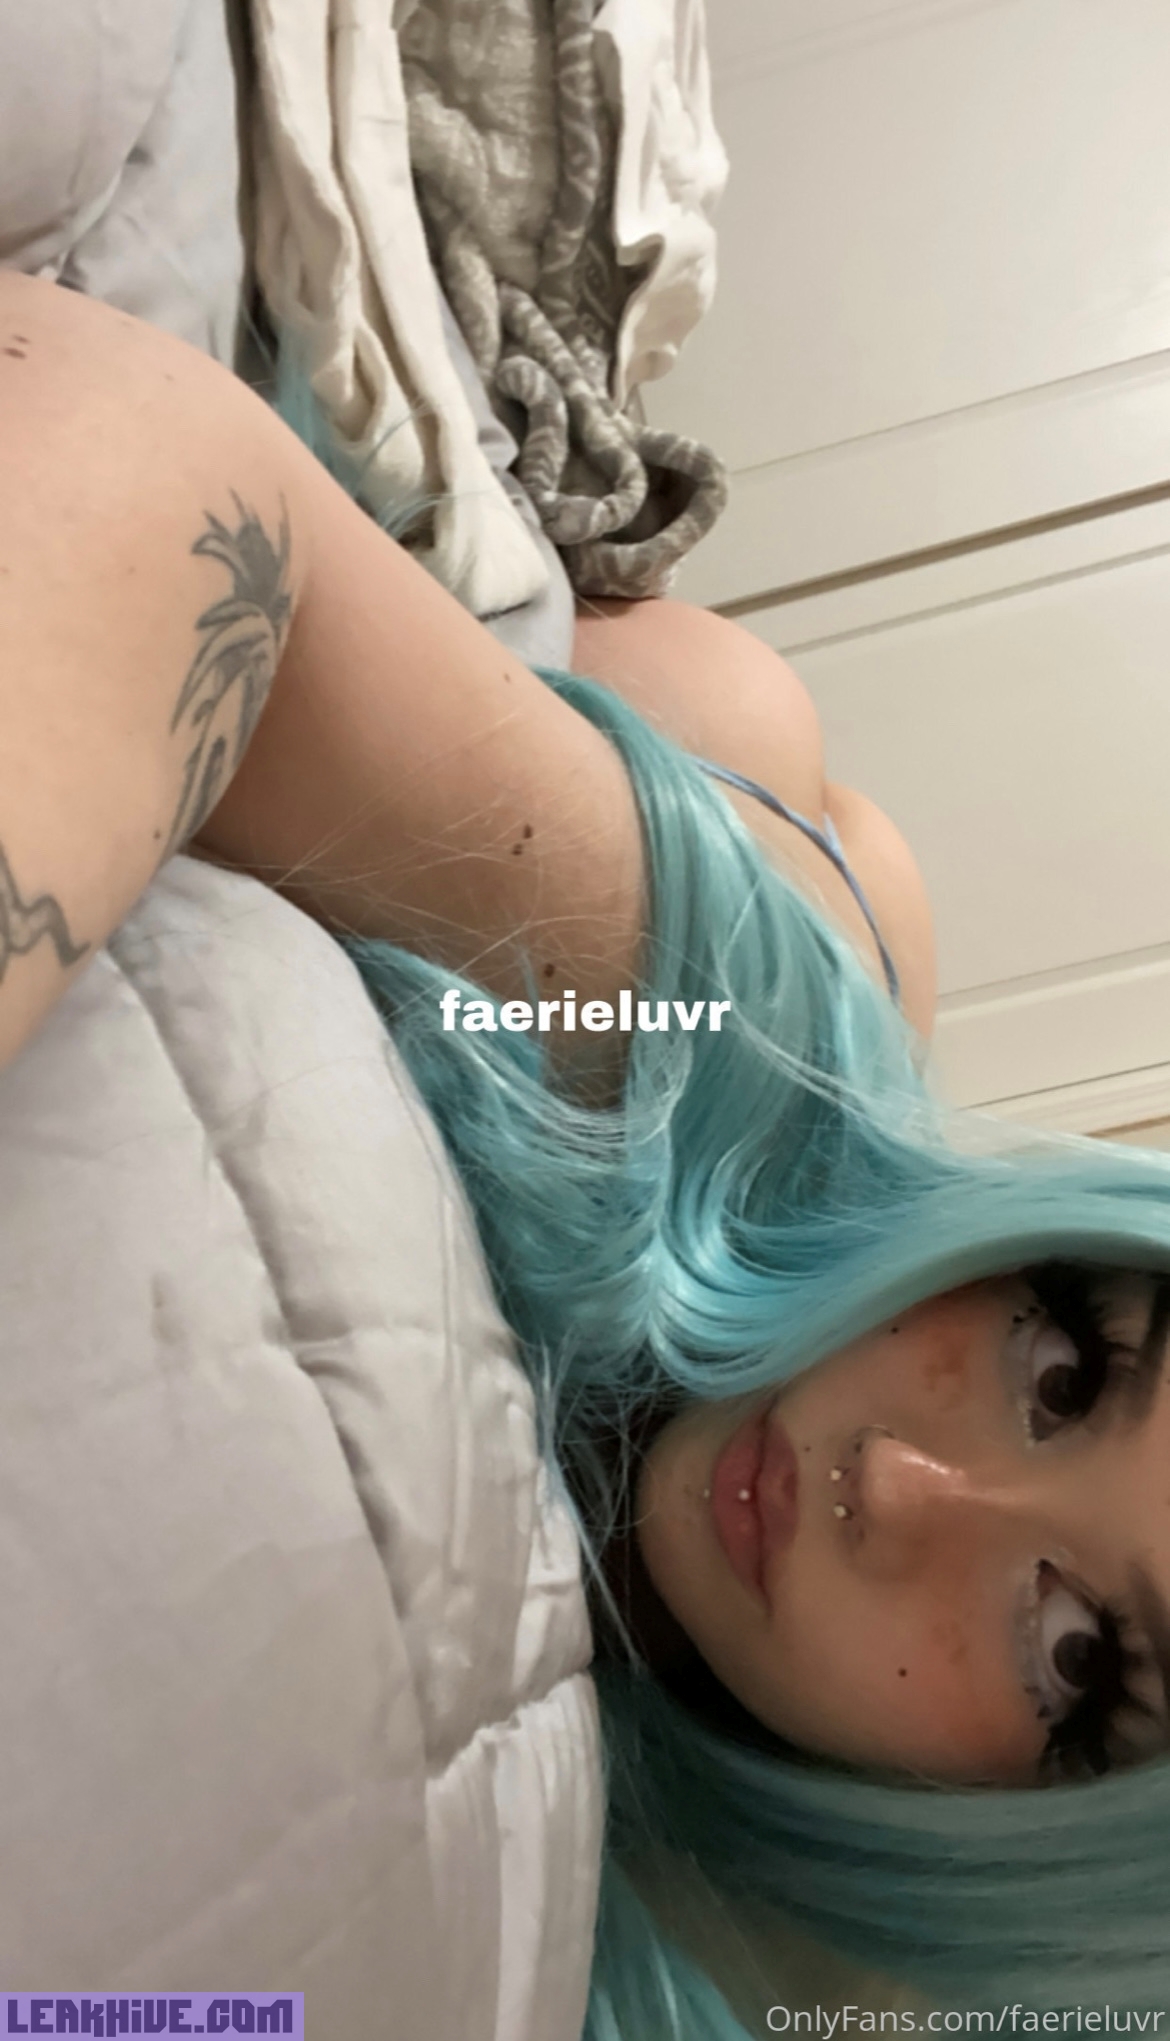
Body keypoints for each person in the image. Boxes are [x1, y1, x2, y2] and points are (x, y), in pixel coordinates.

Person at [5, 267, 1170, 2037]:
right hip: (771, 996)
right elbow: (152, 464)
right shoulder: (707, 1042)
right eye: (1062, 1371)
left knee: (757, 758)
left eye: (1074, 1654)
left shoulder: (697, 1970)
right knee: (761, 786)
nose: (897, 1488)